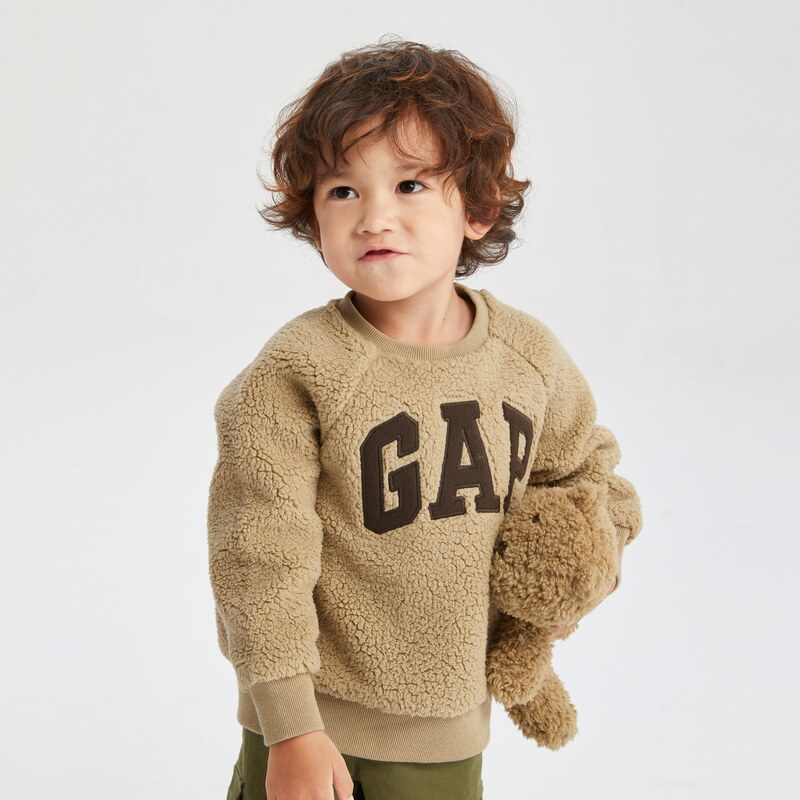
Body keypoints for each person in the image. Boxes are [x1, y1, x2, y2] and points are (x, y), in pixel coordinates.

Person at [207, 36, 643, 800]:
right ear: (312, 215)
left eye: (410, 184)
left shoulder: (528, 359)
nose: (374, 216)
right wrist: (290, 726)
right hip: (309, 723)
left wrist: (583, 569)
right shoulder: (299, 370)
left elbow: (586, 473)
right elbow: (257, 557)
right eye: (343, 191)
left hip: (448, 730)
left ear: (477, 207)